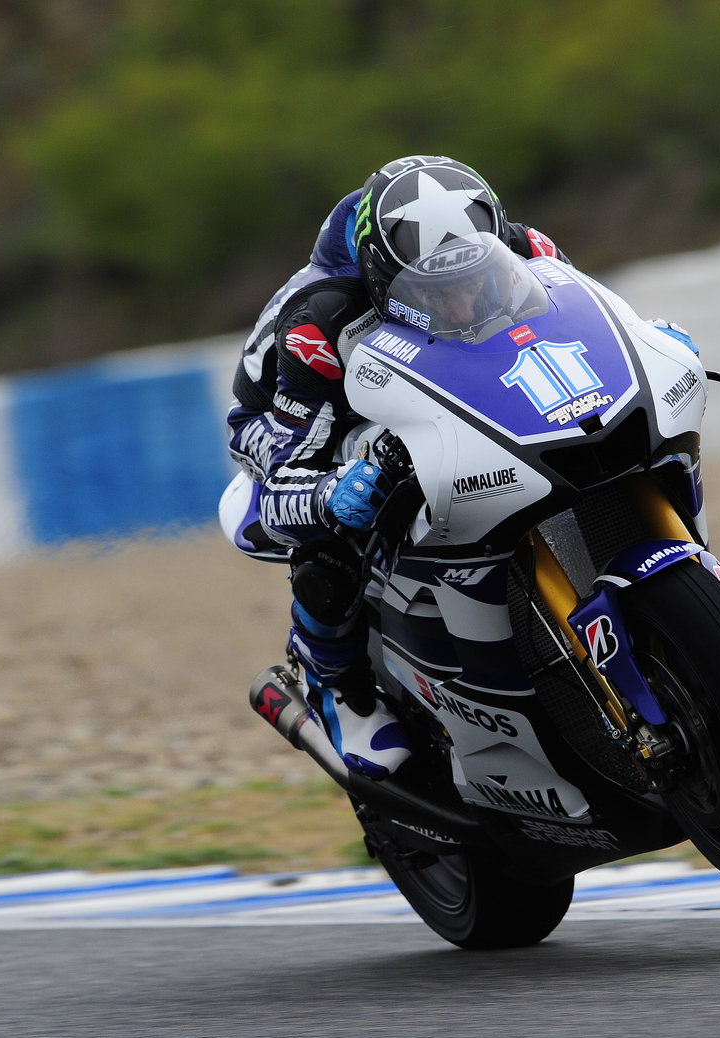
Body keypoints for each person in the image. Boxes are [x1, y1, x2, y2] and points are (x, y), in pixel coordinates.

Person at [223, 155, 571, 780]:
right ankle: (336, 685)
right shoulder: (318, 322)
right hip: (298, 423)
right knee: (356, 497)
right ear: (385, 278)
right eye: (440, 292)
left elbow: (579, 318)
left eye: (475, 280)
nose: (465, 302)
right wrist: (330, 493)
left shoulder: (524, 246)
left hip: (420, 373)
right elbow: (281, 480)